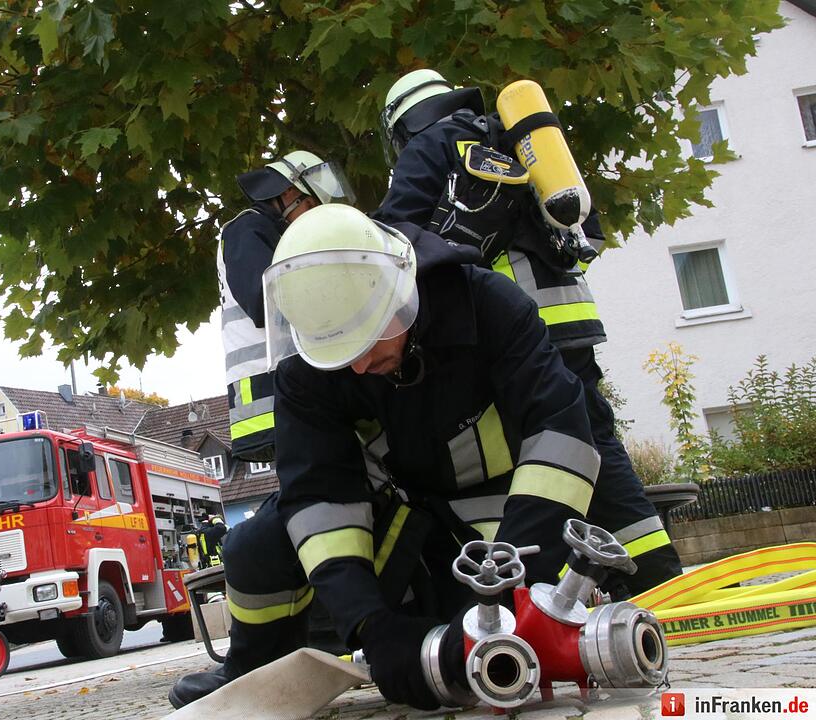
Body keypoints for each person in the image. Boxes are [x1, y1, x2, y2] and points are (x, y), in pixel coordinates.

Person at [170, 204, 601, 710]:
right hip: (393, 514)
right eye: (337, 348)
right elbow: (318, 498)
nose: (357, 365)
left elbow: (564, 437)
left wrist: (511, 584)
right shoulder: (310, 367)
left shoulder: (486, 306)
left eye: (367, 335)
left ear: (401, 293)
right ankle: (255, 668)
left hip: (498, 524)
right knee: (254, 547)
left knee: (476, 638)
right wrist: (372, 627)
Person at [373, 69, 682, 597]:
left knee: (539, 452)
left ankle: (581, 585)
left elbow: (391, 237)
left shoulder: (429, 146)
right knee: (593, 438)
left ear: (402, 125)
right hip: (571, 314)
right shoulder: (519, 141)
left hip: (513, 326)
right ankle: (656, 577)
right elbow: (587, 231)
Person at [219, 151, 356, 462]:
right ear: (289, 194)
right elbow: (263, 299)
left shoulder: (273, 233)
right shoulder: (246, 230)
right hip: (268, 389)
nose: (314, 218)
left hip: (288, 382)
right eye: (311, 206)